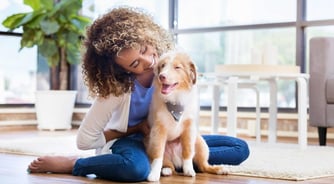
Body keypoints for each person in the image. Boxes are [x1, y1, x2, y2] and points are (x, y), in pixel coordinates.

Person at [27, 7, 250, 182]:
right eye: (135, 63)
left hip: (170, 137)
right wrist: (136, 128)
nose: (149, 62)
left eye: (144, 49)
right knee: (135, 169)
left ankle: (171, 161)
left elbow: (186, 100)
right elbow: (84, 140)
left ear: (148, 37)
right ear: (122, 69)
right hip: (132, 140)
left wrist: (184, 140)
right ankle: (77, 164)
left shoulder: (167, 65)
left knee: (239, 149)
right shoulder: (115, 89)